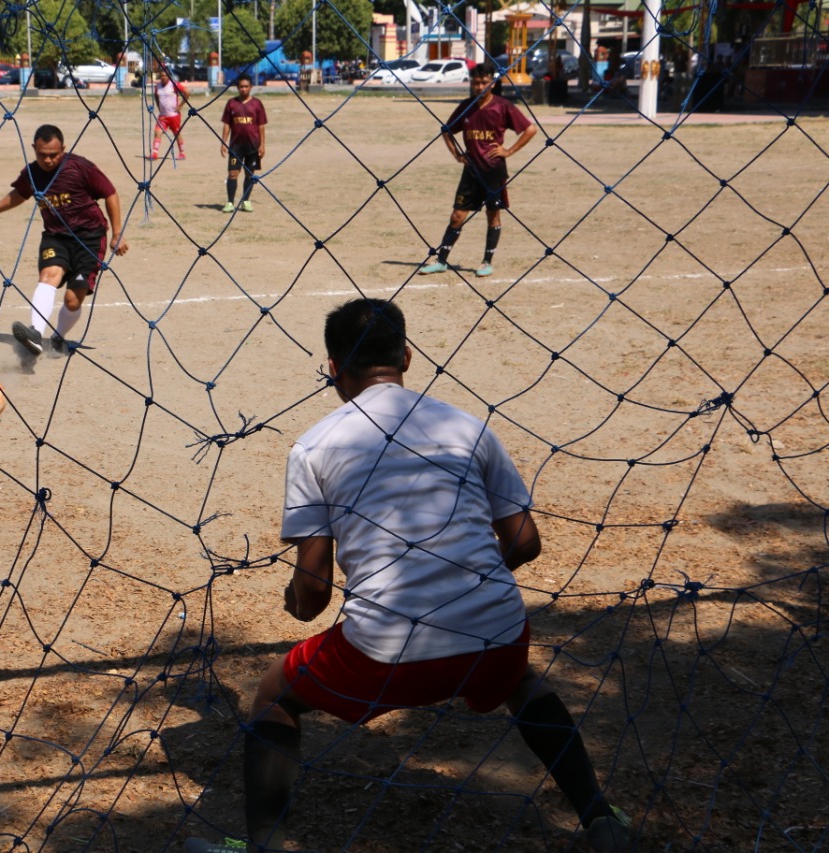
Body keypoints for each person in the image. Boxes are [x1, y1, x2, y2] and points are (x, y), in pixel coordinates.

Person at [186, 298, 632, 853]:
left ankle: (265, 846)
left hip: (386, 653)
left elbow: (314, 591)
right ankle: (599, 818)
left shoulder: (315, 445)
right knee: (519, 678)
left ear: (331, 367)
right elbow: (524, 542)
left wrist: (295, 602)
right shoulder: (467, 425)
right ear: (408, 356)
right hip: (494, 633)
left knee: (275, 692)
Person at [0, 124, 130, 363]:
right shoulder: (32, 173)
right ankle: (35, 334)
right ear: (34, 148)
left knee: (72, 299)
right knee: (48, 275)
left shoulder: (80, 168)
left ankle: (58, 336)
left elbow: (110, 193)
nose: (47, 160)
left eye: (53, 155)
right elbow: (20, 194)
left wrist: (117, 234)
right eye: (42, 154)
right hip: (55, 237)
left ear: (63, 149)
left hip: (89, 237)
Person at [420, 62, 537, 278]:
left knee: (492, 215)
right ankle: (441, 260)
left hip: (494, 172)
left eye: (484, 82)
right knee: (457, 215)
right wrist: (457, 154)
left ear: (492, 83)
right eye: (475, 83)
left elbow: (531, 129)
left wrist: (509, 151)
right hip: (471, 173)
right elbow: (446, 130)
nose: (479, 86)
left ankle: (486, 262)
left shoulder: (503, 106)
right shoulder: (466, 106)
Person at [219, 75, 267, 213]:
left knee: (249, 175)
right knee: (233, 174)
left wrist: (262, 145)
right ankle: (230, 202)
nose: (244, 89)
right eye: (241, 87)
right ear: (237, 88)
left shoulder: (257, 104)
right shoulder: (231, 103)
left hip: (253, 145)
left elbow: (261, 126)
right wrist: (223, 142)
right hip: (236, 146)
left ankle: (245, 201)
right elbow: (227, 124)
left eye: (246, 86)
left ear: (251, 87)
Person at [150, 67, 188, 160]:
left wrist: (180, 106)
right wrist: (159, 107)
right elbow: (156, 96)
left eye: (165, 76)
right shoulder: (157, 86)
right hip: (163, 115)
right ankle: (154, 153)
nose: (163, 77)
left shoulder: (174, 84)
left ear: (169, 77)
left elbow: (187, 93)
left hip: (174, 115)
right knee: (157, 131)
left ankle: (182, 153)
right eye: (161, 76)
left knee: (176, 133)